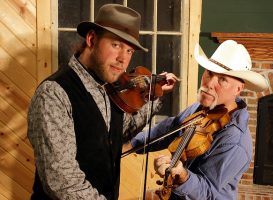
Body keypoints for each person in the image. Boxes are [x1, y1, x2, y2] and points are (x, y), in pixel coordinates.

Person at [27, 4, 178, 200]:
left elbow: (118, 133)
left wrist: (154, 95)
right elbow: (62, 180)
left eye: (130, 51)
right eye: (116, 45)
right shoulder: (54, 93)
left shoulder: (109, 86)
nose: (123, 58)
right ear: (91, 39)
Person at [127, 40, 269, 199]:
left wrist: (183, 176)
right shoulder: (199, 109)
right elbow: (167, 130)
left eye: (222, 79)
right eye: (209, 72)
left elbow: (208, 192)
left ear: (238, 89)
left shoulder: (235, 141)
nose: (209, 83)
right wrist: (130, 144)